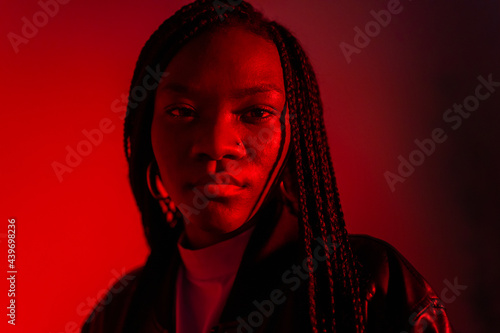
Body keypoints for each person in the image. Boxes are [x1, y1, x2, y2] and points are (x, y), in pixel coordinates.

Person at [82, 1, 454, 332]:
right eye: (182, 112)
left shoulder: (368, 284)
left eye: (255, 113)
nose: (215, 145)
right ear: (146, 133)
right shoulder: (118, 314)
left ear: (295, 136)